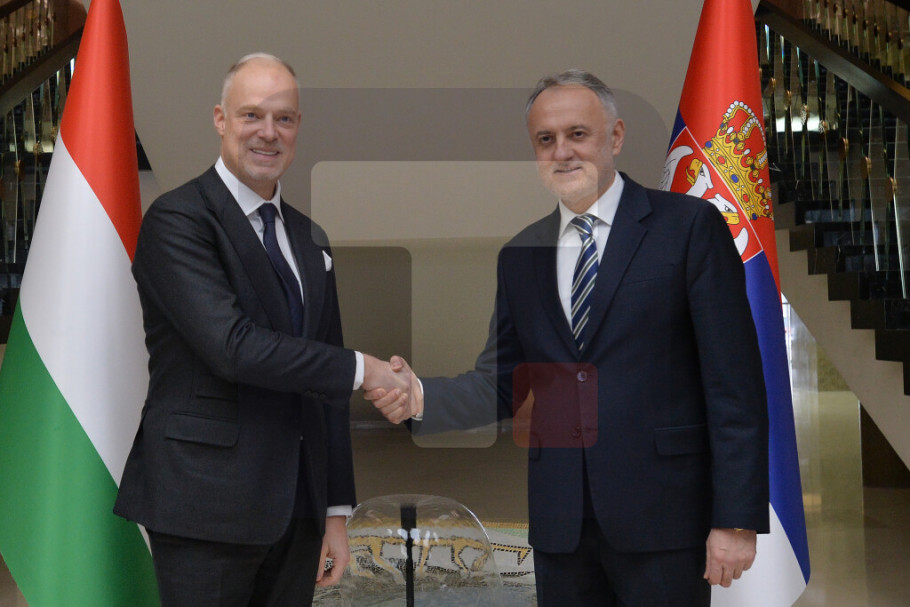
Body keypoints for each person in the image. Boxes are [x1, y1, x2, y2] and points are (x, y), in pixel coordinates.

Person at [368, 69, 770, 606]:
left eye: (577, 134)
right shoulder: (520, 254)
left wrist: (736, 518)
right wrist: (419, 396)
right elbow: (502, 383)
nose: (562, 152)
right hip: (561, 526)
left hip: (664, 521)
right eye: (545, 139)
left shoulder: (688, 227)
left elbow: (734, 385)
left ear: (616, 136)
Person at [114, 53, 409, 607]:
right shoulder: (178, 220)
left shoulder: (310, 237)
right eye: (252, 115)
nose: (268, 133)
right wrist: (365, 369)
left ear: (297, 127)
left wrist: (335, 510)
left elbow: (324, 380)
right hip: (205, 506)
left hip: (297, 510)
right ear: (220, 119)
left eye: (284, 118)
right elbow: (232, 347)